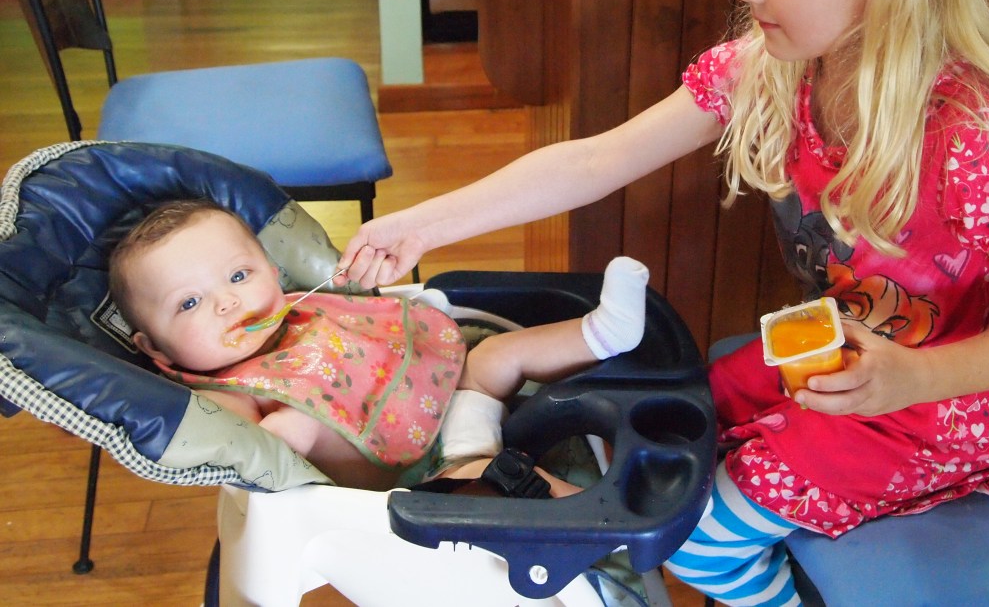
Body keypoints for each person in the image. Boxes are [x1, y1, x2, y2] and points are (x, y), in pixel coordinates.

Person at [336, 0, 989, 606]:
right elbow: (594, 161)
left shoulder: (976, 139)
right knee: (668, 427)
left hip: (944, 409)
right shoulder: (773, 69)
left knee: (694, 542)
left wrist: (914, 380)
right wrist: (423, 225)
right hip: (832, 356)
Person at [108, 199, 649, 493]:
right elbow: (242, 447)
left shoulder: (304, 307)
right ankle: (602, 517)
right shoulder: (229, 391)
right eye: (189, 303)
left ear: (272, 271)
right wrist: (289, 425)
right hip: (428, 473)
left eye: (238, 275)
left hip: (452, 395)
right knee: (497, 484)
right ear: (156, 350)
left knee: (497, 355)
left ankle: (602, 332)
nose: (227, 302)